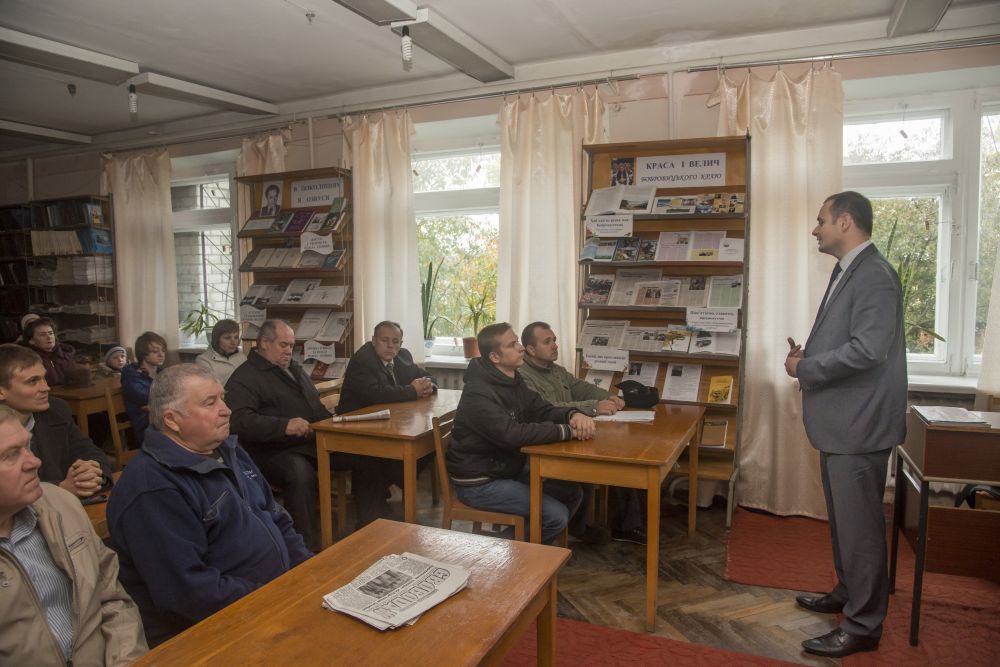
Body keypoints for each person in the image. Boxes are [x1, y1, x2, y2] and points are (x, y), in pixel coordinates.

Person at [106, 364, 311, 647]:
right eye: (210, 402)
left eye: (222, 398)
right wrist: (275, 596)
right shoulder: (153, 488)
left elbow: (277, 519)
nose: (226, 410)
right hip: (216, 631)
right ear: (172, 420)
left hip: (274, 599)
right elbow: (188, 594)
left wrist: (309, 573)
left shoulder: (227, 449)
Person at [784, 191, 906, 659]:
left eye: (821, 221)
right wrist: (809, 355)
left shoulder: (874, 275)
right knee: (845, 522)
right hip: (843, 423)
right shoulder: (849, 270)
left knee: (861, 530)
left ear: (846, 222)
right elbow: (849, 339)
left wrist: (806, 368)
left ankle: (864, 625)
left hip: (859, 426)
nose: (815, 229)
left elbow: (869, 350)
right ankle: (848, 593)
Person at [226, 320, 396, 551]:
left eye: (291, 345)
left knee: (365, 451)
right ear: (264, 343)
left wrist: (335, 424)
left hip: (311, 441)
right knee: (299, 472)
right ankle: (306, 548)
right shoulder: (244, 377)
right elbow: (238, 422)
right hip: (272, 450)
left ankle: (372, 522)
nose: (289, 351)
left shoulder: (293, 369)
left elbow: (315, 408)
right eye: (284, 345)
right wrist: (284, 426)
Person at [0, 404, 148, 665]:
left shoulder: (61, 504)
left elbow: (113, 600)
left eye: (27, 446)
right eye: (11, 455)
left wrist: (127, 661)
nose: (34, 462)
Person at [445, 323, 594, 543]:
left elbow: (541, 409)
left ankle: (530, 547)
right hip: (479, 482)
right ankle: (498, 551)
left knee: (573, 493)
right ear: (495, 357)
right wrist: (565, 431)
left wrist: (572, 414)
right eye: (513, 344)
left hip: (504, 469)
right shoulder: (478, 392)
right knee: (556, 516)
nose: (521, 348)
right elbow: (511, 435)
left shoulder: (512, 379)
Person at [519, 321, 646, 545]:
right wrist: (594, 407)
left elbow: (580, 387)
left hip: (571, 435)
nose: (555, 345)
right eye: (547, 342)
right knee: (609, 463)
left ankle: (600, 526)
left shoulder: (555, 369)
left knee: (623, 453)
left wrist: (608, 396)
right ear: (530, 349)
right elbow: (549, 408)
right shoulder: (523, 376)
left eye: (554, 340)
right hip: (547, 442)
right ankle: (606, 527)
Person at [0, 344, 112, 498]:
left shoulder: (56, 410)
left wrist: (92, 473)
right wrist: (60, 489)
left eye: (44, 378)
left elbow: (87, 450)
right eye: (33, 381)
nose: (46, 387)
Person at [336, 320, 435, 415]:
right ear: (374, 341)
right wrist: (413, 391)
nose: (390, 345)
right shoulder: (363, 359)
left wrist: (427, 386)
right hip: (354, 419)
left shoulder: (403, 356)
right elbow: (375, 395)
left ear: (400, 344)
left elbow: (428, 377)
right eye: (384, 340)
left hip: (390, 416)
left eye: (395, 341)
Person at [121, 331, 167, 445]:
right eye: (155, 351)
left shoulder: (163, 373)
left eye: (163, 351)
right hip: (146, 430)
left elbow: (178, 394)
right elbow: (154, 398)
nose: (161, 355)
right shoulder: (132, 378)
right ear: (143, 354)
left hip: (164, 423)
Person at [21, 317, 81, 387]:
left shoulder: (66, 355)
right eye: (43, 335)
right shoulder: (28, 361)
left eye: (51, 333)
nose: (49, 337)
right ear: (32, 341)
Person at [195, 319, 247, 386]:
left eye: (236, 337)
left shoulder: (242, 357)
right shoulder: (204, 361)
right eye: (227, 338)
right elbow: (207, 388)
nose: (233, 342)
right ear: (217, 339)